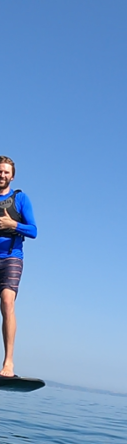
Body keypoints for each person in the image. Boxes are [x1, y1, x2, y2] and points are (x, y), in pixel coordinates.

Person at [0, 156, 37, 377]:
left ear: (11, 176)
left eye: (5, 172)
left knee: (7, 302)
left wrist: (12, 224)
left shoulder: (20, 199)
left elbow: (33, 231)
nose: (2, 175)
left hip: (12, 257)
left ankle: (8, 364)